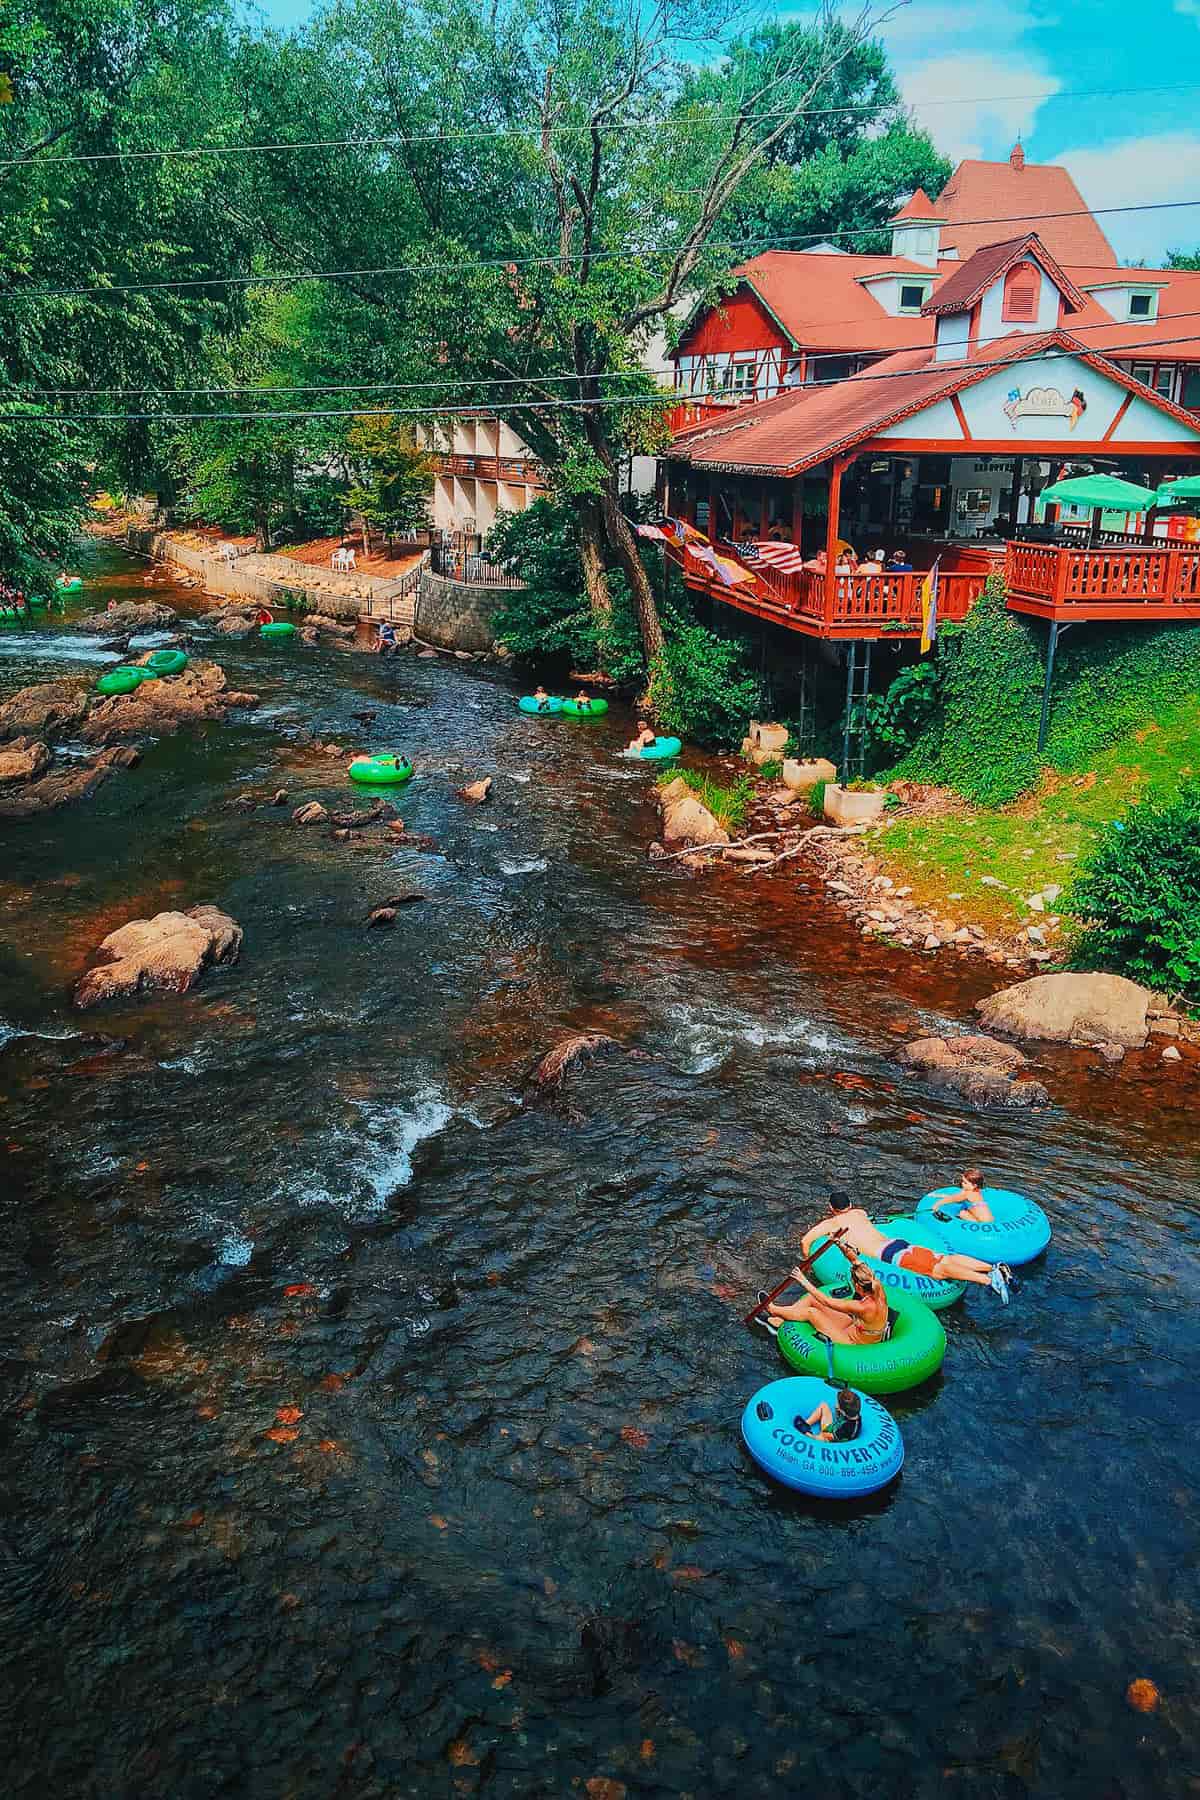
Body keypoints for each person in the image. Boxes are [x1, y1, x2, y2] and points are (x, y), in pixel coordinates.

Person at [799, 1190, 1010, 1302]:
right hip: (896, 1244)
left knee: (939, 1271)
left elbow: (805, 1241)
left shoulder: (831, 1224)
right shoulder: (860, 1213)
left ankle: (988, 1280)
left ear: (831, 1208)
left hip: (889, 1255)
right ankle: (992, 1267)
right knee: (942, 1258)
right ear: (851, 1205)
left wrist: (808, 1262)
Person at [767, 1257, 890, 1345]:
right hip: (854, 1328)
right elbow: (857, 1261)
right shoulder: (878, 1289)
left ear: (858, 1286)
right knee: (811, 1298)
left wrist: (803, 1281)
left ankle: (773, 1310)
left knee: (812, 1313)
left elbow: (826, 1301)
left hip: (852, 1343)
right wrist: (839, 1243)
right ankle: (782, 1320)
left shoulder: (862, 1306)